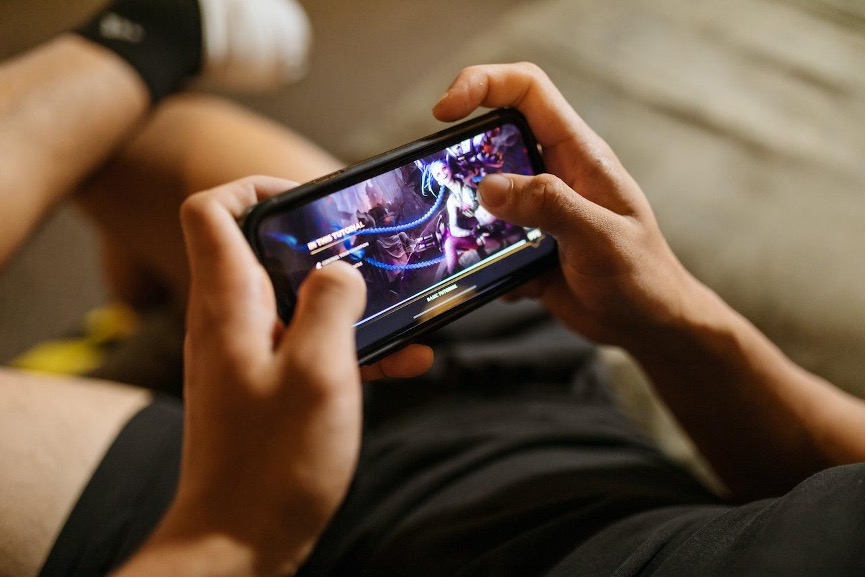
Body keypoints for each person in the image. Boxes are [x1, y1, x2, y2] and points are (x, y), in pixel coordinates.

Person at [0, 3, 861, 575]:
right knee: (157, 151)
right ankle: (154, 60)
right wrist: (666, 314)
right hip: (549, 423)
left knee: (122, 144)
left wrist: (233, 530)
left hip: (346, 540)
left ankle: (147, 40)